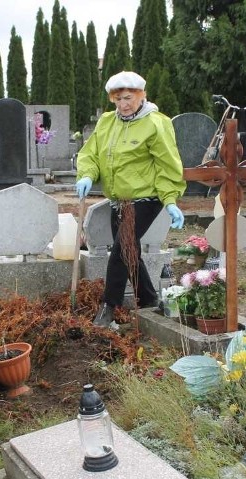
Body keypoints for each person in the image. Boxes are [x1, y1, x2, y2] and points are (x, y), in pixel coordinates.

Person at [75, 70, 186, 327]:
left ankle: (108, 306)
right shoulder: (107, 122)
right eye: (117, 99)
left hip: (146, 198)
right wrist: (87, 175)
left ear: (141, 95)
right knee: (129, 251)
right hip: (120, 200)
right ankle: (147, 299)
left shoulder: (157, 123)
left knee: (123, 246)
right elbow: (90, 153)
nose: (123, 105)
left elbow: (167, 164)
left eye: (128, 98)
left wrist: (169, 200)